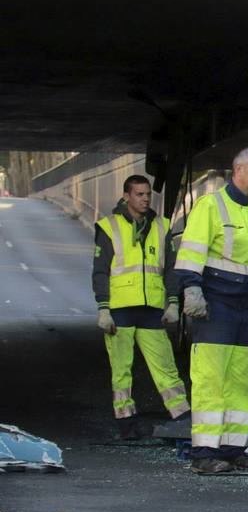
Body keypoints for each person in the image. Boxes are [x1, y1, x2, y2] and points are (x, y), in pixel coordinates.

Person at [174, 148, 248, 474]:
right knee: (210, 381)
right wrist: (191, 289)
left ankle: (233, 451)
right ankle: (204, 455)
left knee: (243, 384)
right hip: (215, 305)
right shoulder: (210, 206)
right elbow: (191, 252)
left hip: (245, 308)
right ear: (238, 169)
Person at [92, 174, 189, 439]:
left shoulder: (161, 226)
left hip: (152, 310)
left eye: (147, 194)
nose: (145, 199)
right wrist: (103, 308)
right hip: (120, 310)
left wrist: (172, 303)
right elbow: (100, 271)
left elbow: (171, 268)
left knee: (166, 369)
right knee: (121, 371)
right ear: (126, 196)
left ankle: (183, 419)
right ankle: (127, 424)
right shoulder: (108, 227)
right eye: (139, 194)